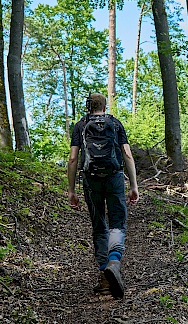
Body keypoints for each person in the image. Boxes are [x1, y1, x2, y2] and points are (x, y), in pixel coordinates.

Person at [67, 93, 139, 299]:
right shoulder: (115, 124)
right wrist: (134, 186)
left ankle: (104, 274)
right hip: (114, 177)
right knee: (117, 222)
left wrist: (71, 191)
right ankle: (114, 262)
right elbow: (127, 154)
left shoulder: (81, 125)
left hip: (91, 180)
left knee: (99, 226)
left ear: (88, 106)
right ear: (104, 106)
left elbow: (73, 159)